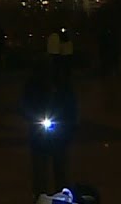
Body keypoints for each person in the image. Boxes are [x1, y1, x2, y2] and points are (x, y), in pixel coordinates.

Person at [23, 69, 77, 197]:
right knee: (41, 171)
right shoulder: (33, 85)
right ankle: (41, 195)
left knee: (60, 170)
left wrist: (69, 125)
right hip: (40, 133)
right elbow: (26, 105)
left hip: (58, 134)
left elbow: (71, 106)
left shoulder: (62, 85)